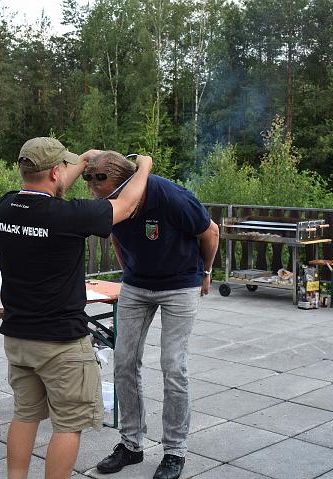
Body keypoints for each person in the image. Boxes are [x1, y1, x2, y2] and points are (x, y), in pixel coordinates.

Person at [0, 138, 153, 479]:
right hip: (61, 343)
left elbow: (51, 184)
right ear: (55, 171)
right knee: (68, 424)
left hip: (18, 338)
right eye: (64, 167)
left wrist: (80, 161)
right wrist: (145, 167)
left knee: (25, 415)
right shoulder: (68, 216)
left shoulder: (4, 207)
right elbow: (125, 205)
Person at [88, 151, 219, 479]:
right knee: (124, 361)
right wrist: (128, 271)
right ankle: (131, 444)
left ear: (124, 182)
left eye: (100, 182)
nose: (94, 189)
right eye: (91, 181)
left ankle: (175, 451)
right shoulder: (110, 202)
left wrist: (205, 272)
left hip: (180, 284)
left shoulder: (170, 196)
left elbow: (211, 232)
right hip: (137, 285)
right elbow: (116, 237)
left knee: (173, 365)